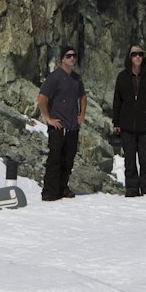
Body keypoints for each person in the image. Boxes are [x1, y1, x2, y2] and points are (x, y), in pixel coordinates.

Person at [36, 45, 86, 201]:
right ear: (62, 59)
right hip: (58, 125)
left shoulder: (76, 78)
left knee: (68, 159)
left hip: (72, 126)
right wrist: (48, 118)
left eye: (74, 56)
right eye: (68, 56)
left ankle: (63, 188)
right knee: (55, 158)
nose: (72, 58)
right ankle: (49, 192)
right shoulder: (54, 77)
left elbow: (83, 96)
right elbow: (42, 99)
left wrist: (82, 114)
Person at [112, 43, 146, 197]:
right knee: (130, 160)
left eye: (140, 54)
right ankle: (132, 188)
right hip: (127, 127)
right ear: (130, 57)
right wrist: (116, 123)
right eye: (134, 54)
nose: (138, 57)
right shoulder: (122, 77)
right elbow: (117, 101)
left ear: (144, 56)